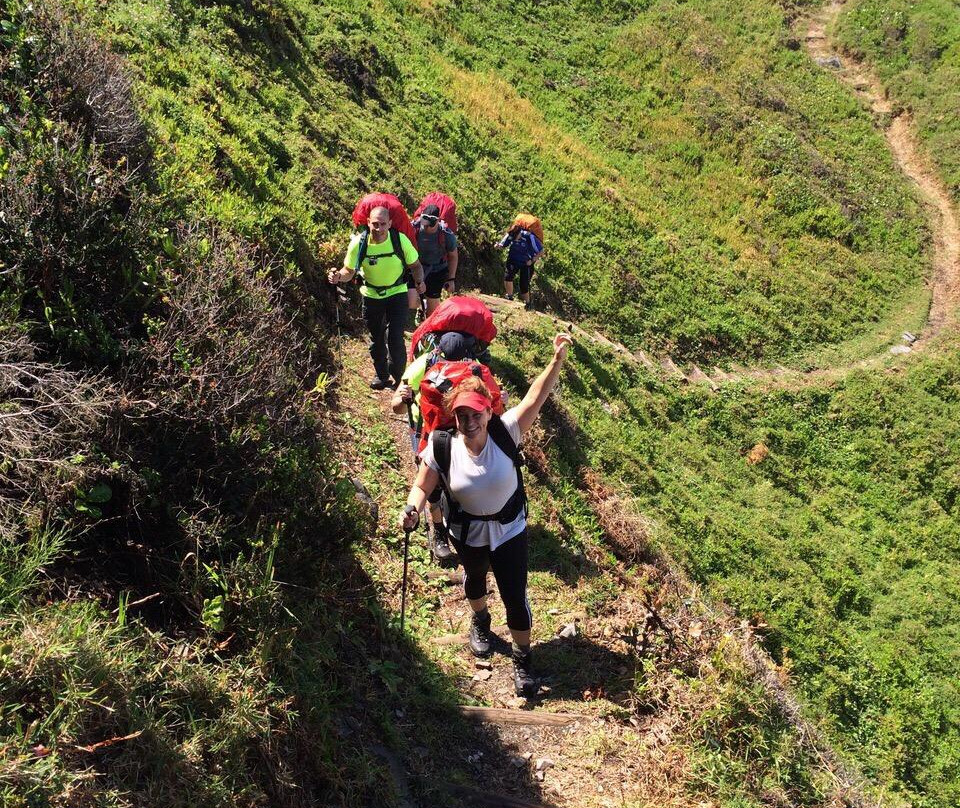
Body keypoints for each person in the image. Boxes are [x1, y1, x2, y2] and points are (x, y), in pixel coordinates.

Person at [399, 333, 574, 697]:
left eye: (475, 413)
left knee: (515, 595)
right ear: (455, 415)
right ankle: (480, 620)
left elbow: (536, 396)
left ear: (487, 410)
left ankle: (522, 658)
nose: (469, 421)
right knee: (475, 581)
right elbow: (421, 485)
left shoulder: (506, 430)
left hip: (509, 530)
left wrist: (556, 361)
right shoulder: (442, 445)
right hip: (467, 532)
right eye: (461, 414)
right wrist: (412, 508)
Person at [391, 331, 480, 565]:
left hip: (462, 434)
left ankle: (464, 530)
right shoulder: (423, 364)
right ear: (438, 353)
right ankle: (439, 532)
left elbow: (487, 400)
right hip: (426, 433)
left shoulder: (473, 366)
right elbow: (396, 408)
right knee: (431, 488)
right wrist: (403, 398)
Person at [328, 206, 426, 389]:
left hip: (397, 293)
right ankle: (382, 375)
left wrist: (420, 282)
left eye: (383, 224)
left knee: (395, 337)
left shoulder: (399, 240)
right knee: (377, 338)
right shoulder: (359, 243)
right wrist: (338, 277)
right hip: (371, 295)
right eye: (375, 224)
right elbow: (349, 271)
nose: (379, 228)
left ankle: (399, 378)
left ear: (389, 224)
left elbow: (416, 265)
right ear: (368, 223)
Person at [413, 204, 458, 316]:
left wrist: (451, 279)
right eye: (425, 224)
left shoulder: (446, 234)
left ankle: (427, 329)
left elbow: (453, 256)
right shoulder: (415, 228)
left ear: (437, 221)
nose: (427, 228)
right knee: (411, 301)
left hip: (437, 271)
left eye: (430, 225)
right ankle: (421, 305)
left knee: (432, 311)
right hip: (416, 268)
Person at [497, 224, 543, 309]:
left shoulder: (529, 237)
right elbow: (503, 244)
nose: (514, 239)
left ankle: (528, 303)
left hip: (526, 263)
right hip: (513, 259)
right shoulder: (511, 235)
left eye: (516, 236)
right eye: (513, 237)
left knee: (524, 285)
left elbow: (541, 251)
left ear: (520, 233)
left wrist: (532, 260)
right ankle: (510, 297)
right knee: (508, 277)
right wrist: (498, 246)